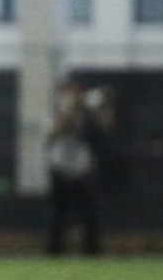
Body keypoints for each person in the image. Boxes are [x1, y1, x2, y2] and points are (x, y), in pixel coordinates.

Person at [45, 78, 114, 256]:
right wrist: (69, 110)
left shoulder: (87, 115)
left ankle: (92, 250)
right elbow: (56, 131)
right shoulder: (54, 113)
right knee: (59, 214)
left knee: (90, 213)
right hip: (60, 169)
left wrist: (97, 106)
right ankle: (55, 250)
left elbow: (104, 127)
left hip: (83, 169)